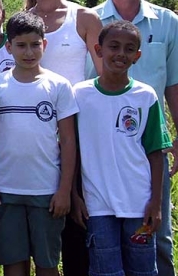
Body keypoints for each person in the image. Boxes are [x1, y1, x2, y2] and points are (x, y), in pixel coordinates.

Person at [90, 0, 178, 276]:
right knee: (105, 236)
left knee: (158, 234)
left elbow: (174, 84)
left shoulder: (168, 22)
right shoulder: (91, 20)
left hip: (150, 143)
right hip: (105, 147)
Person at [19, 0, 103, 275]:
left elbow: (103, 74)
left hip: (77, 133)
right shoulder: (23, 23)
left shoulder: (84, 18)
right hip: (35, 138)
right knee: (42, 226)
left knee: (78, 221)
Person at [0, 11, 78, 276]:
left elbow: (68, 140)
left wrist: (64, 189)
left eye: (35, 44)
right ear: (8, 47)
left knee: (47, 265)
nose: (29, 52)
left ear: (44, 45)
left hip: (47, 191)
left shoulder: (59, 86)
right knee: (14, 266)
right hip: (5, 190)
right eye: (21, 45)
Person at [72, 20, 171, 276]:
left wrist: (156, 203)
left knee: (143, 270)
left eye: (129, 49)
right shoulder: (79, 95)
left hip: (140, 205)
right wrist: (74, 195)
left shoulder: (145, 96)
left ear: (137, 56)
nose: (121, 54)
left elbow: (156, 152)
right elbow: (71, 151)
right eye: (113, 46)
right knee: (106, 271)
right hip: (98, 206)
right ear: (99, 49)